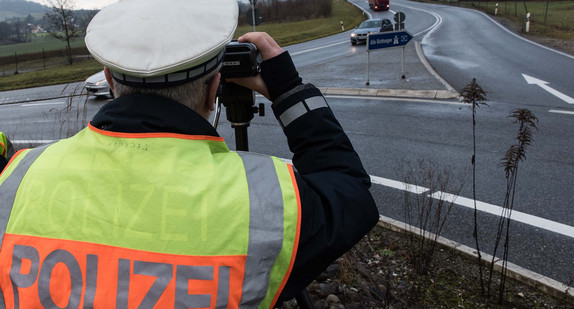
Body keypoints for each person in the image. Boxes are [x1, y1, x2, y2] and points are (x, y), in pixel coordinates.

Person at [0, 0, 379, 307]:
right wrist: (289, 89)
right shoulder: (265, 204)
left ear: (110, 79)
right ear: (214, 87)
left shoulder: (18, 179)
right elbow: (348, 190)